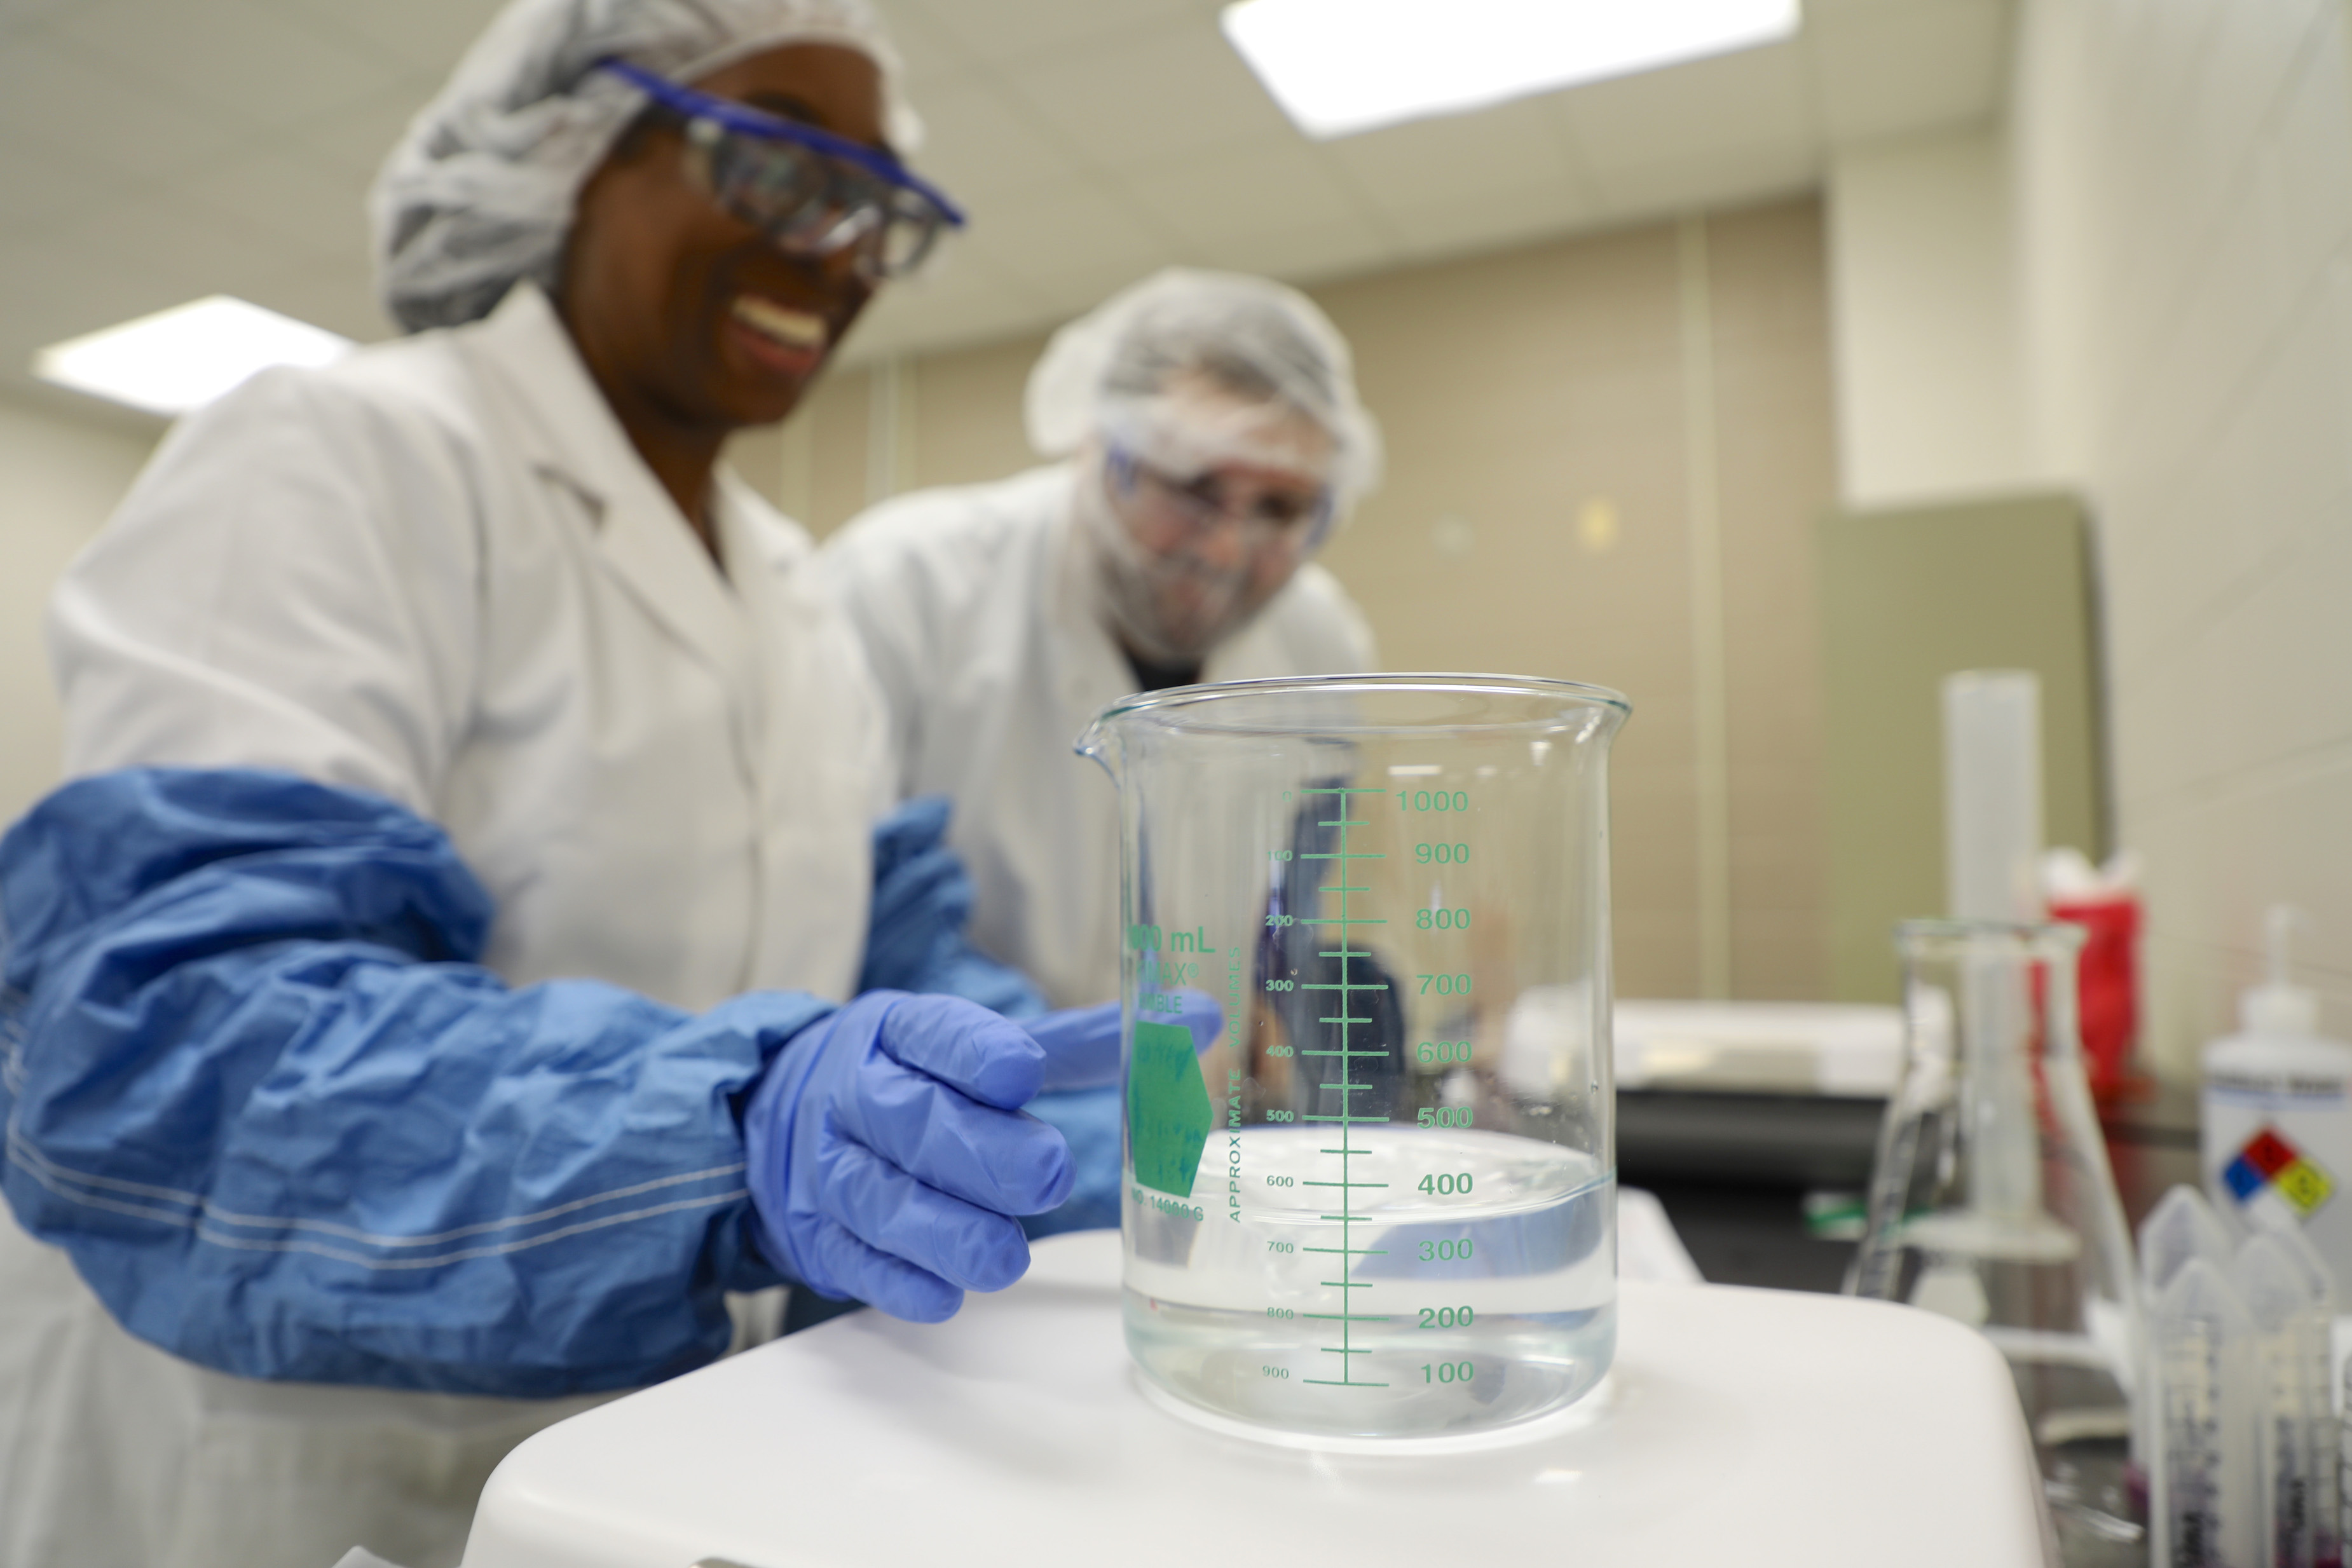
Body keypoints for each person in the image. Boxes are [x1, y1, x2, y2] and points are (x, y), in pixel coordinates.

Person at [0, 3, 1125, 1564]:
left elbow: (871, 933)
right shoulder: (336, 455)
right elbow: (180, 1053)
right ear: (567, 149)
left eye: (881, 213)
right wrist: (726, 1125)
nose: (841, 254)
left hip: (652, 1459)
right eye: (785, 170)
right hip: (283, 1466)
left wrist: (1033, 1091)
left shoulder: (794, 595)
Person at [821, 269, 1384, 1016]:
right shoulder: (905, 588)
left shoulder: (1322, 648)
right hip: (944, 1109)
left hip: (1203, 1122)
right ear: (1096, 449)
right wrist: (1031, 1071)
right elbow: (843, 915)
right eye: (1192, 487)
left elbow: (1293, 900)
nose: (1225, 551)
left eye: (1280, 509)